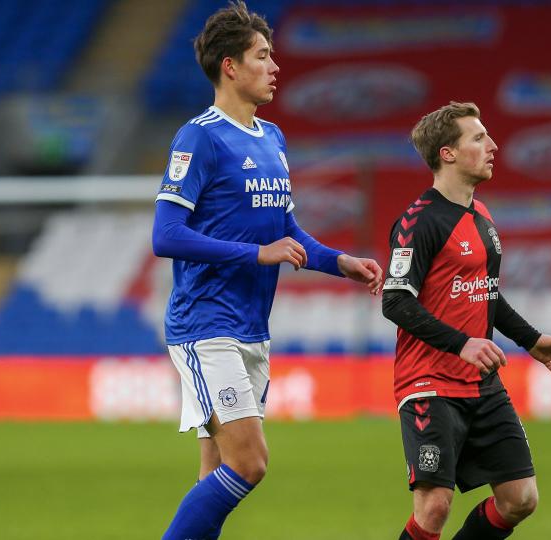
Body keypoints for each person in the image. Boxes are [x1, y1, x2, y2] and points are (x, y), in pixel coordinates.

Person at [150, 3, 383, 539]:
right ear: (230, 67)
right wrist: (257, 254)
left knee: (216, 471)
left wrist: (339, 263)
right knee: (250, 463)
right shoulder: (199, 137)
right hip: (206, 325)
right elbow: (166, 236)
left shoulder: (272, 138)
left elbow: (289, 234)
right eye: (262, 56)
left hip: (252, 326)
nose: (275, 66)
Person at [382, 102, 551, 540]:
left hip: (481, 384)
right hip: (429, 383)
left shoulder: (482, 217)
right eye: (478, 138)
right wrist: (461, 343)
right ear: (448, 153)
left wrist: (530, 339)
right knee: (434, 507)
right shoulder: (418, 222)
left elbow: (485, 292)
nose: (492, 146)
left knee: (520, 498)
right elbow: (395, 302)